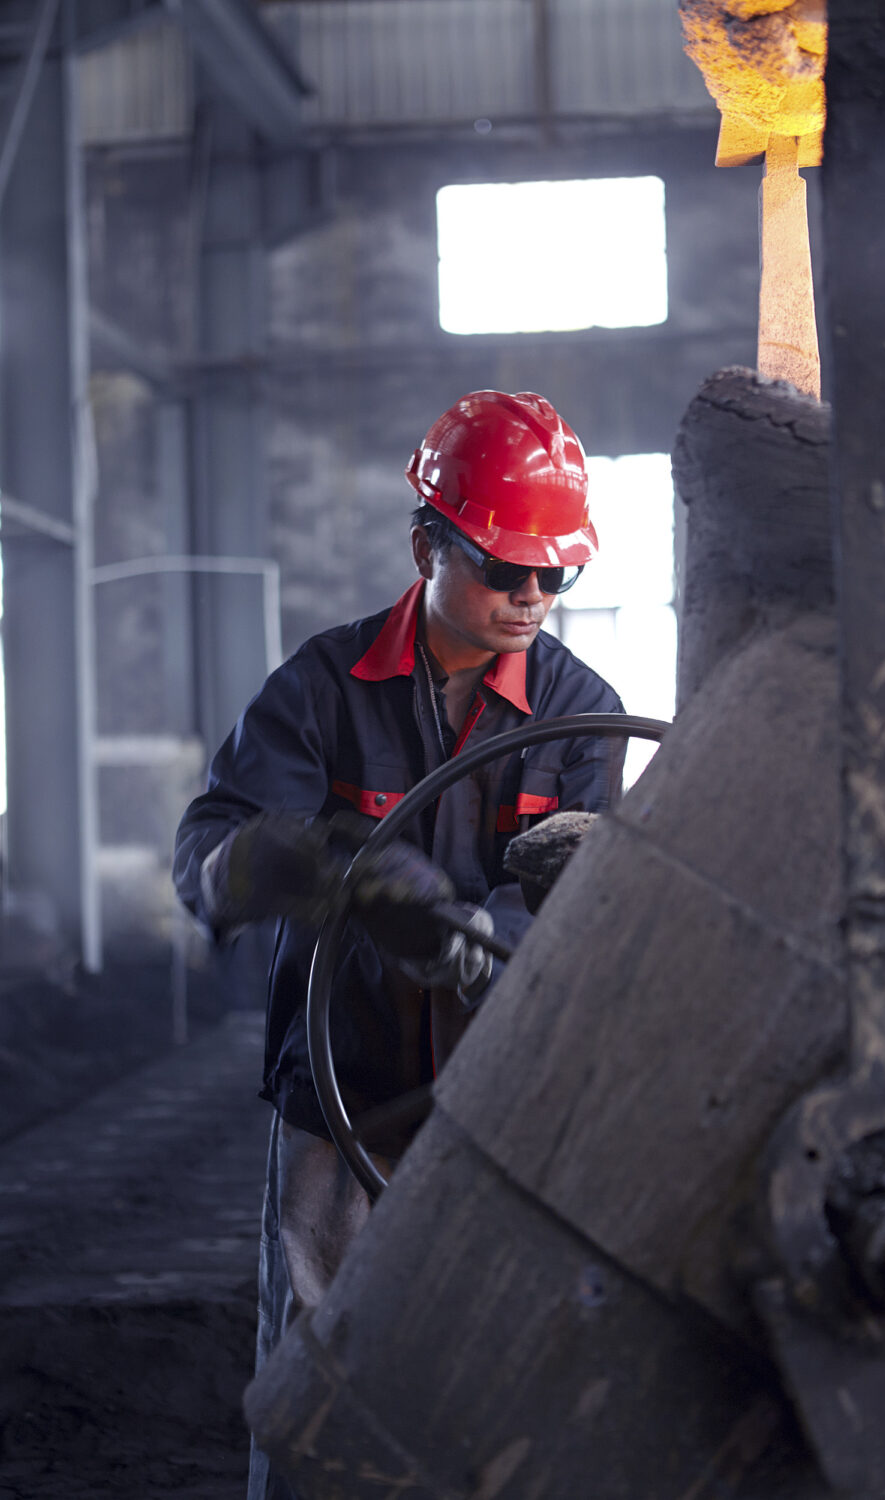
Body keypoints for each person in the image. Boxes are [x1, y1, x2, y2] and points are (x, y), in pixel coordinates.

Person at [172, 389, 625, 1499]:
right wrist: (297, 867)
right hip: (344, 1093)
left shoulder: (583, 714)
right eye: (503, 569)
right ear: (427, 544)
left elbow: (595, 914)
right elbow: (212, 850)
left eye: (552, 576)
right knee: (320, 1361)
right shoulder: (324, 689)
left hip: (504, 1101)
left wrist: (496, 923)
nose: (530, 598)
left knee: (509, 1373)